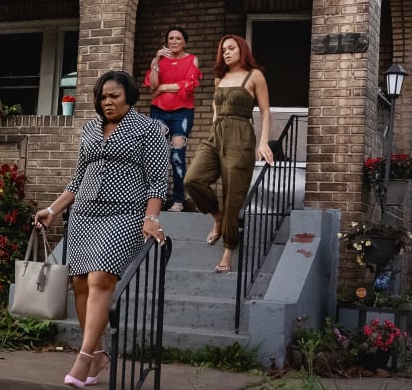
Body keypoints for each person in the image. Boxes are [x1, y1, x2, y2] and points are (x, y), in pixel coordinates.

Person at [34, 71, 169, 388]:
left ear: (129, 96)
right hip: (84, 215)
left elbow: (157, 182)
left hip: (123, 214)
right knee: (80, 283)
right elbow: (77, 179)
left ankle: (82, 358)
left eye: (114, 96)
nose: (107, 102)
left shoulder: (149, 130)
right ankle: (97, 353)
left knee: (100, 278)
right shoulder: (90, 129)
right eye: (102, 97)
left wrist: (151, 218)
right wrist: (53, 209)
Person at [184, 35, 274, 273]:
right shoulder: (220, 78)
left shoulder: (254, 75)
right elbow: (216, 107)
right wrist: (215, 125)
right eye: (223, 50)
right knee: (192, 179)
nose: (226, 53)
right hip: (217, 135)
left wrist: (263, 143)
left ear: (242, 50)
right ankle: (217, 217)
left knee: (233, 195)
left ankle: (228, 250)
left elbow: (265, 111)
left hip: (241, 136)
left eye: (231, 48)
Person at [144, 25, 203, 212]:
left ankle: (178, 200)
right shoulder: (160, 61)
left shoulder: (192, 59)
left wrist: (162, 88)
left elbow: (187, 84)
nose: (174, 41)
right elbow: (153, 84)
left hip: (182, 112)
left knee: (177, 156)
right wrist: (155, 60)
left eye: (178, 38)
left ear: (184, 41)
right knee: (157, 155)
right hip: (159, 111)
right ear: (166, 42)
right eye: (171, 38)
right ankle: (155, 199)